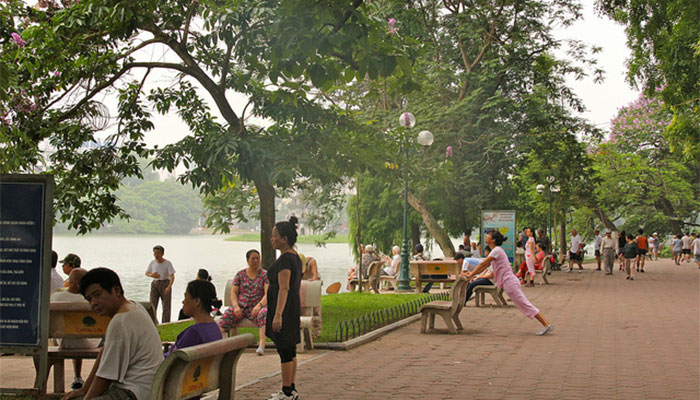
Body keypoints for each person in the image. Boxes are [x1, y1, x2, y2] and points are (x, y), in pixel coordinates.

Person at [64, 268, 162, 400]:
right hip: (147, 388)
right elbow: (104, 352)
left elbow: (105, 378)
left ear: (116, 290)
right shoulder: (134, 307)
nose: (94, 303)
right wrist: (83, 390)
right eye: (89, 299)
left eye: (97, 294)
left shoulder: (120, 322)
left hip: (133, 392)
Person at [465, 231, 553, 335]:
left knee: (525, 304)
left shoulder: (496, 250)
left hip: (510, 282)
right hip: (509, 282)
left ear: (493, 240)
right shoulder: (496, 251)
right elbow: (485, 267)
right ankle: (546, 324)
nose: (486, 237)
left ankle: (546, 324)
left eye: (488, 236)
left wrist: (471, 275)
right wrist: (474, 275)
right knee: (524, 305)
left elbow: (483, 264)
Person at [267, 217, 303, 400]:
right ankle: (291, 388)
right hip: (292, 307)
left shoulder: (285, 261)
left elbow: (284, 287)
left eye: (275, 236)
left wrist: (278, 314)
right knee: (290, 349)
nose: (272, 239)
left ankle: (286, 391)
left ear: (284, 239)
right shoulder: (294, 257)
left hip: (285, 308)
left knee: (285, 349)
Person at [51, 268, 99, 390]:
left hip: (64, 342)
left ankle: (78, 377)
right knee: (81, 333)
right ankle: (79, 377)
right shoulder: (88, 300)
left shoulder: (56, 296)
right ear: (79, 285)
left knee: (74, 333)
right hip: (88, 343)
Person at [218, 249, 269, 356]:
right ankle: (219, 345)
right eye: (253, 258)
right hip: (241, 306)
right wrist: (236, 306)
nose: (256, 261)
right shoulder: (240, 275)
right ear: (247, 260)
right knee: (227, 316)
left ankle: (262, 345)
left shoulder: (265, 275)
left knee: (264, 313)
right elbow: (234, 293)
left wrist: (259, 306)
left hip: (257, 306)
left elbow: (267, 294)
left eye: (257, 258)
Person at [164, 280, 223, 358]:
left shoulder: (194, 334)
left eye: (185, 297)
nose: (183, 301)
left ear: (197, 301)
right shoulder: (214, 328)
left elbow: (170, 361)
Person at [145, 245, 175, 323]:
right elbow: (147, 273)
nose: (156, 255)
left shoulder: (167, 263)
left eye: (158, 253)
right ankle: (153, 321)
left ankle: (165, 322)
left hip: (165, 283)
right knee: (152, 304)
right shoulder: (152, 263)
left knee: (166, 306)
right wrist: (152, 275)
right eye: (154, 253)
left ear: (162, 253)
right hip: (155, 284)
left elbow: (172, 276)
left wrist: (169, 287)